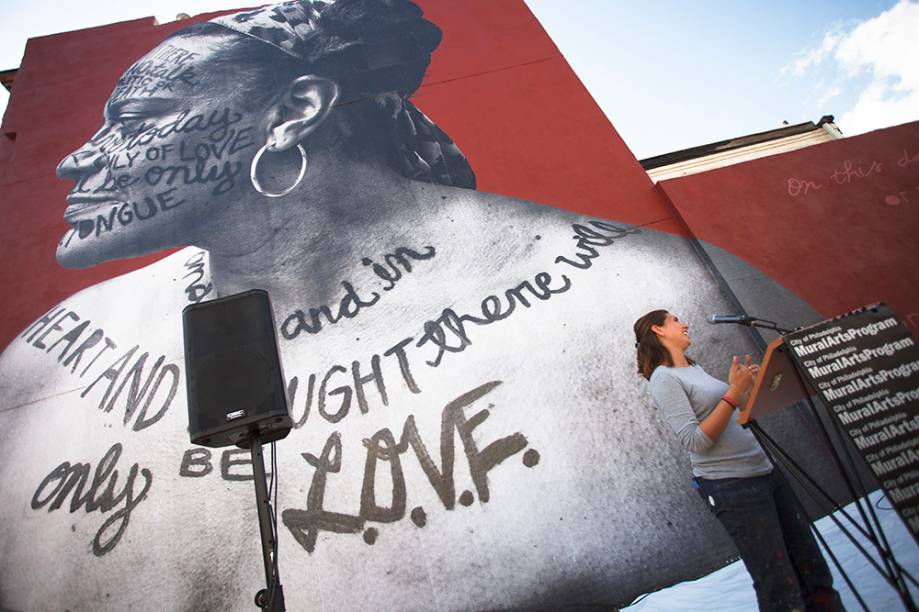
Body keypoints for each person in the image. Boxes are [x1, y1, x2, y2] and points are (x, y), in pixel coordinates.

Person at [0, 0, 837, 609]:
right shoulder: (47, 360)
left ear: (294, 111)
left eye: (135, 119)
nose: (79, 160)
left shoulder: (642, 299)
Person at [634, 309, 844, 611]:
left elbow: (734, 415)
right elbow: (695, 440)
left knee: (812, 567)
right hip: (732, 487)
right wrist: (734, 391)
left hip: (765, 472)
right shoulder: (663, 379)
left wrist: (749, 390)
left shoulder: (695, 368)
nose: (685, 324)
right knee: (778, 582)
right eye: (676, 320)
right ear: (659, 330)